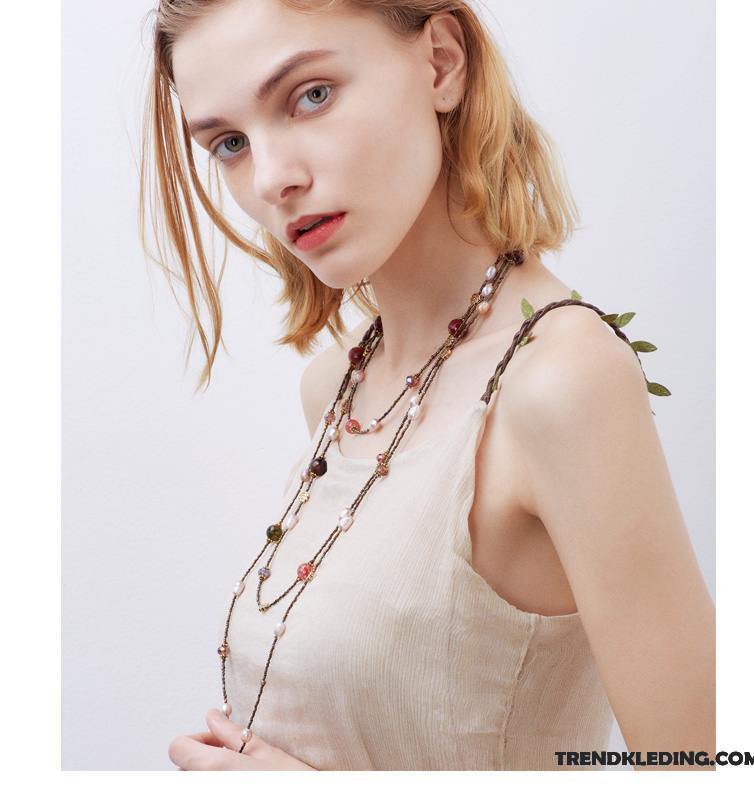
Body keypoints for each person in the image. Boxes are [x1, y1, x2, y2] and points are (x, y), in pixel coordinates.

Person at [139, 0, 715, 771]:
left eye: (311, 95)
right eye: (231, 143)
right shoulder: (337, 386)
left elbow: (701, 768)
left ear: (442, 60)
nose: (273, 179)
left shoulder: (560, 383)